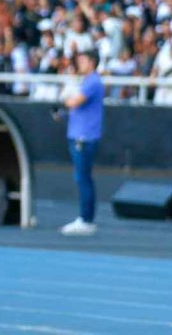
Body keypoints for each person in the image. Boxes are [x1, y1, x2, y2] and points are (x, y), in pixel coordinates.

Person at [60, 50, 104, 236]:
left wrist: (69, 85)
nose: (80, 64)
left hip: (84, 137)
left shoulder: (93, 81)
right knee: (83, 177)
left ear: (92, 62)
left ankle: (86, 219)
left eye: (83, 61)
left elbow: (73, 102)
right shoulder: (87, 81)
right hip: (80, 135)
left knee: (83, 178)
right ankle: (86, 218)